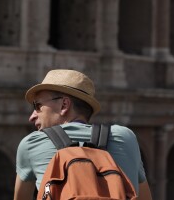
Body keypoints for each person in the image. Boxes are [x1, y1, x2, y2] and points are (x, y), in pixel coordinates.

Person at [13, 69, 152, 200]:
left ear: (64, 105)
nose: (32, 116)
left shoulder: (31, 143)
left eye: (37, 106)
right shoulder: (125, 137)